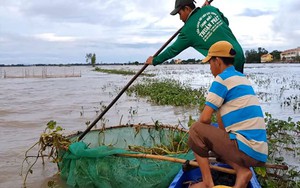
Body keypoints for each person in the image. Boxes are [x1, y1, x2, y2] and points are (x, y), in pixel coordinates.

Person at [188, 41, 268, 188]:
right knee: (220, 136)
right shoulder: (242, 78)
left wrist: (201, 141)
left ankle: (207, 183)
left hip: (245, 149)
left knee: (195, 130)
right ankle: (242, 172)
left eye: (210, 63)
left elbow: (204, 119)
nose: (210, 67)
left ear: (217, 61)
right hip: (259, 153)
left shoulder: (222, 80)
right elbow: (222, 126)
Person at [146, 0, 245, 73]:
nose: (180, 18)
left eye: (180, 14)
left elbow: (172, 50)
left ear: (187, 9)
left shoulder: (187, 31)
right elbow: (226, 22)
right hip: (239, 53)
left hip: (225, 62)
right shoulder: (210, 9)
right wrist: (208, 13)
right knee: (237, 91)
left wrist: (154, 60)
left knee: (225, 96)